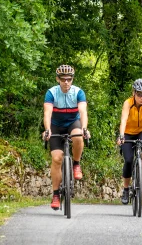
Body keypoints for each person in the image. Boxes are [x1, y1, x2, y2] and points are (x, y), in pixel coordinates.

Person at [42, 64, 91, 210]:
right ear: (58, 79)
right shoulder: (51, 93)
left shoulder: (78, 92)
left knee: (77, 136)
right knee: (57, 159)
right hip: (55, 125)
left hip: (72, 123)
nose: (66, 82)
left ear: (72, 79)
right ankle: (56, 194)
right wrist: (47, 130)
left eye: (69, 79)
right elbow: (47, 114)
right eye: (63, 79)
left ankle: (76, 163)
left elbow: (83, 112)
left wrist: (84, 128)